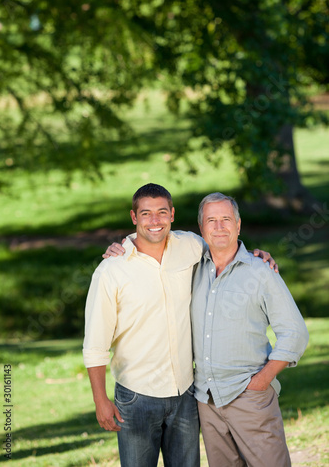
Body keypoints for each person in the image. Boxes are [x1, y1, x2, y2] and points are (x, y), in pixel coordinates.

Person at [83, 183, 277, 467]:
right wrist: (101, 400)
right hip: (136, 397)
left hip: (185, 393)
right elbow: (95, 344)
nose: (155, 221)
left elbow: (224, 245)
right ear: (134, 218)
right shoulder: (112, 270)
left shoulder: (190, 246)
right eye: (146, 213)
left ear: (172, 214)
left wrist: (256, 256)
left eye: (162, 212)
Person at [191, 192, 309, 467]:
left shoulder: (261, 271)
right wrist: (122, 245)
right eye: (211, 220)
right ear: (201, 228)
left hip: (250, 396)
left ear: (239, 225)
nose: (219, 227)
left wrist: (262, 380)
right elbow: (152, 240)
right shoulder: (192, 269)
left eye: (226, 219)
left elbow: (295, 333)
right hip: (207, 400)